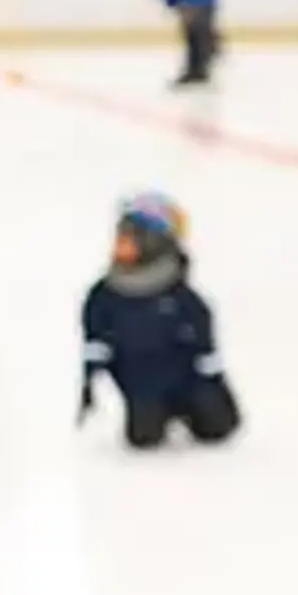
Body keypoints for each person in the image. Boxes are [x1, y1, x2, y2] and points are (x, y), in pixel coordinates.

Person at [79, 191, 240, 449]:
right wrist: (91, 376)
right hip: (142, 384)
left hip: (188, 380)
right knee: (144, 437)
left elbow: (202, 338)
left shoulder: (181, 299)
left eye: (129, 239)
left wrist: (210, 376)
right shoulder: (104, 296)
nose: (119, 246)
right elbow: (96, 335)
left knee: (219, 425)